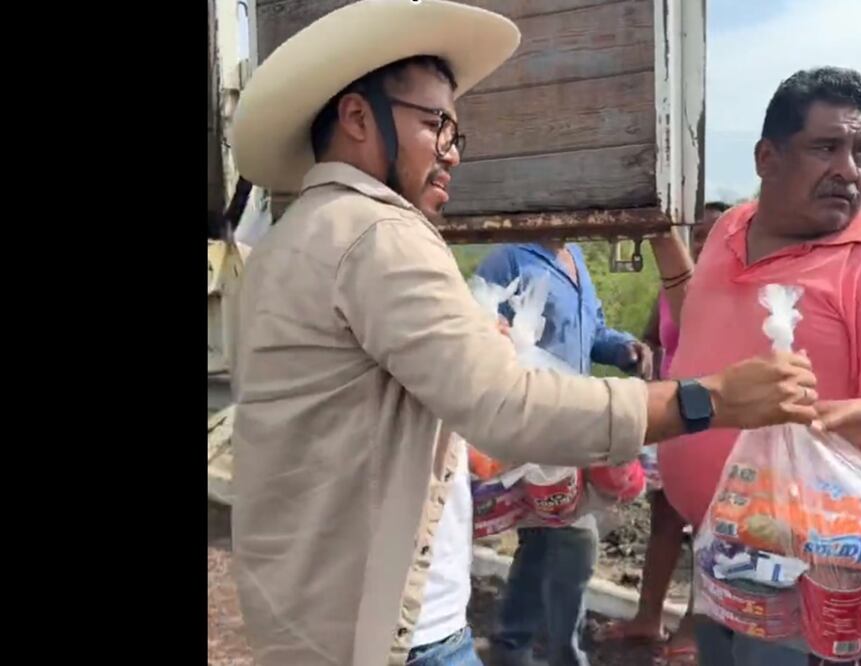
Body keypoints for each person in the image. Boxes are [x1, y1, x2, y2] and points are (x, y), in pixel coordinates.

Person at [227, 2, 822, 665]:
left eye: (455, 132)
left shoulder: (290, 241)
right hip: (397, 633)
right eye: (435, 124)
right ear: (358, 118)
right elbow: (508, 405)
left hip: (311, 606)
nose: (452, 152)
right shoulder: (378, 232)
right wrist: (708, 398)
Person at [659, 67, 861, 666]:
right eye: (826, 147)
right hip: (717, 552)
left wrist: (823, 421)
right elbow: (704, 324)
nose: (850, 170)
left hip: (807, 581)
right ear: (767, 158)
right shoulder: (732, 227)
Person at [473, 241, 652, 666]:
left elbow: (593, 331)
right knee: (576, 541)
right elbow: (475, 333)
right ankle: (562, 655)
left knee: (541, 544)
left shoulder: (573, 256)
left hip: (571, 427)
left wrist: (623, 348)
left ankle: (512, 646)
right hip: (532, 426)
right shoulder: (509, 260)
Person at [594, 201, 728, 665]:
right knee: (665, 522)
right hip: (672, 419)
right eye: (697, 235)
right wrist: (646, 355)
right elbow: (653, 336)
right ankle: (647, 618)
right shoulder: (671, 288)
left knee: (709, 530)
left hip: (716, 424)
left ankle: (690, 627)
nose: (703, 244)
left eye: (714, 235)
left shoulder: (737, 292)